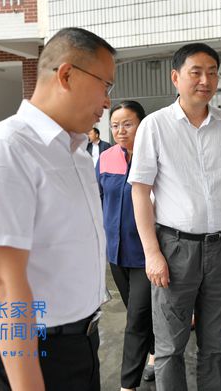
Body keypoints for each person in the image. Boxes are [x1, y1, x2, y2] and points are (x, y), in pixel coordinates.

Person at [0, 27, 115, 391]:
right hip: (36, 352)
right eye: (105, 85)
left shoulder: (75, 153)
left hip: (82, 342)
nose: (108, 101)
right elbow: (5, 285)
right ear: (66, 75)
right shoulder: (6, 151)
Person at [128, 42, 221, 391]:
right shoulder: (154, 126)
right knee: (170, 346)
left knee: (215, 346)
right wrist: (152, 253)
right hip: (175, 249)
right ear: (176, 77)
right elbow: (139, 191)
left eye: (212, 72)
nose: (206, 80)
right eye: (196, 72)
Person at [96, 100, 155, 391]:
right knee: (140, 312)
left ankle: (127, 385)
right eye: (115, 124)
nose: (120, 130)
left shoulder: (156, 156)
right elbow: (97, 201)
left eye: (127, 123)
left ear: (142, 124)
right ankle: (155, 353)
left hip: (148, 255)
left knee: (135, 319)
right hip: (116, 253)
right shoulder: (106, 158)